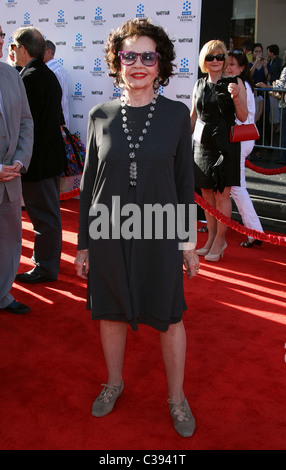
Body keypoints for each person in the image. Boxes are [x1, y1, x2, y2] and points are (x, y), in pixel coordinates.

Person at [74, 17, 199, 438]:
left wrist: (187, 242)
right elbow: (89, 182)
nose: (139, 64)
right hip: (108, 231)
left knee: (169, 314)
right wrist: (84, 244)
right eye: (130, 56)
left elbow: (184, 183)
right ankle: (114, 382)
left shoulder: (177, 115)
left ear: (160, 64)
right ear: (117, 62)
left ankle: (177, 398)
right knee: (109, 311)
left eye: (149, 56)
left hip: (160, 230)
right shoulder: (98, 114)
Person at [11, 27, 66, 284]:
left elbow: (23, 125)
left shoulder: (30, 78)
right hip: (46, 158)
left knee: (45, 217)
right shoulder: (44, 74)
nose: (11, 51)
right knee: (48, 215)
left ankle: (45, 268)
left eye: (12, 46)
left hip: (38, 161)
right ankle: (46, 262)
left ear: (22, 49)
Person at [191, 40, 248, 262]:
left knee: (222, 193)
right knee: (206, 193)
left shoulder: (235, 82)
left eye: (220, 57)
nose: (215, 61)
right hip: (202, 144)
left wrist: (235, 97)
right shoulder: (198, 84)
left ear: (225, 60)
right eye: (210, 57)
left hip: (225, 144)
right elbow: (194, 117)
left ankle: (220, 240)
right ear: (203, 61)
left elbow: (243, 117)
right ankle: (212, 237)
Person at [0, 25, 33, 314]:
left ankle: (2, 294)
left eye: (0, 34)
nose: (0, 41)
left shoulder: (12, 74)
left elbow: (25, 122)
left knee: (10, 240)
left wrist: (20, 161)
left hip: (10, 179)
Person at [226, 50, 264, 248]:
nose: (228, 66)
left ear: (242, 67)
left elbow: (240, 115)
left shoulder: (237, 83)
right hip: (246, 137)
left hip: (239, 139)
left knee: (237, 187)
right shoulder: (246, 84)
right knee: (236, 186)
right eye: (228, 63)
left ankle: (254, 231)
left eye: (233, 64)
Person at [257, 50, 286, 165]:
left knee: (284, 132)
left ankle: (284, 157)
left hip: (284, 105)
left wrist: (271, 85)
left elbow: (280, 86)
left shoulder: (285, 70)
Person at [44, 40, 70, 128]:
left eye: (40, 50)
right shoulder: (60, 70)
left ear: (49, 51)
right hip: (61, 121)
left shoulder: (51, 71)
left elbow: (57, 100)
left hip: (56, 123)